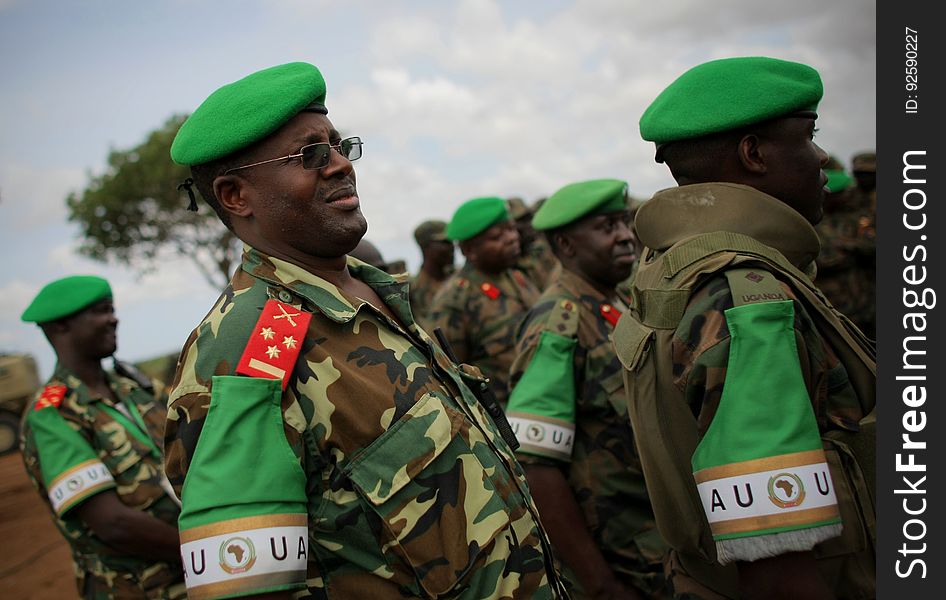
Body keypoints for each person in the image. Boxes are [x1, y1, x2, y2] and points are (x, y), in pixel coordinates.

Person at [165, 62, 565, 600]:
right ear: (237, 195)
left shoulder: (375, 292)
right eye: (309, 155)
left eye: (337, 145)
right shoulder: (244, 352)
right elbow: (251, 587)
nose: (339, 166)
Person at [611, 57, 876, 599]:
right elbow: (777, 562)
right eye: (810, 135)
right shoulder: (746, 298)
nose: (823, 155)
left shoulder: (672, 264)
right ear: (754, 154)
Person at [505, 179, 666, 599]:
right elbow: (537, 466)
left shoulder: (615, 301)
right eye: (606, 227)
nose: (625, 237)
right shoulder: (558, 324)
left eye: (623, 223)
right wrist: (600, 584)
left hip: (659, 538)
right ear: (567, 245)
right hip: (626, 556)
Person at [19, 275, 185, 599]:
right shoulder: (52, 416)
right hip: (140, 588)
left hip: (194, 577)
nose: (114, 318)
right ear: (59, 328)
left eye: (111, 308)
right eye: (100, 311)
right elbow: (113, 524)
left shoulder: (133, 387)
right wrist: (207, 549)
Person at [428, 197, 540, 408]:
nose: (512, 238)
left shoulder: (517, 278)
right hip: (505, 418)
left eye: (511, 229)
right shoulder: (454, 301)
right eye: (497, 236)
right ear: (469, 250)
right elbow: (449, 379)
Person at [815, 157, 876, 338]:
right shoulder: (811, 219)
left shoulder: (860, 214)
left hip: (867, 307)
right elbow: (824, 258)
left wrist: (847, 248)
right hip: (832, 311)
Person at [409, 219, 454, 330]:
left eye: (451, 242)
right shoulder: (411, 291)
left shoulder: (459, 281)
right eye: (444, 242)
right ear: (426, 247)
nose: (452, 247)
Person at [508, 196, 560, 291]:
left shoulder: (543, 250)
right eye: (522, 221)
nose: (530, 224)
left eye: (529, 218)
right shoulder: (508, 266)